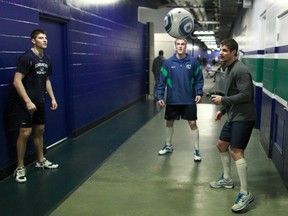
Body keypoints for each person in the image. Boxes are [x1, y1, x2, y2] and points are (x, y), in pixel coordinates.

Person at [209, 38, 256, 212]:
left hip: (244, 117)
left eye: (225, 50)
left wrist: (223, 100)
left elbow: (245, 95)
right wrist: (223, 108)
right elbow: (231, 93)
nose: (221, 53)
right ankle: (227, 179)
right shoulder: (227, 68)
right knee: (221, 145)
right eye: (220, 50)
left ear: (234, 53)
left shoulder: (240, 70)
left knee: (236, 151)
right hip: (233, 115)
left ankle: (245, 193)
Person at [13, 29, 59, 183]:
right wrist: (27, 101)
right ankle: (20, 167)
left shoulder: (47, 59)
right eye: (40, 38)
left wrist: (52, 98)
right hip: (26, 102)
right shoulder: (27, 57)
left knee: (39, 130)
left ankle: (41, 160)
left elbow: (46, 80)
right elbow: (17, 81)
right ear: (33, 41)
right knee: (25, 133)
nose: (45, 40)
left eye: (45, 38)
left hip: (39, 101)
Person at [155, 38, 204, 161]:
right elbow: (161, 81)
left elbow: (199, 79)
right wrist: (159, 96)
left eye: (182, 44)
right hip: (173, 99)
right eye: (178, 44)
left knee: (192, 123)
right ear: (175, 46)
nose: (180, 46)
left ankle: (197, 150)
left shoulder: (193, 62)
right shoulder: (168, 63)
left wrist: (199, 93)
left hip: (189, 99)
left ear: (186, 46)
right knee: (169, 122)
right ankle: (168, 145)